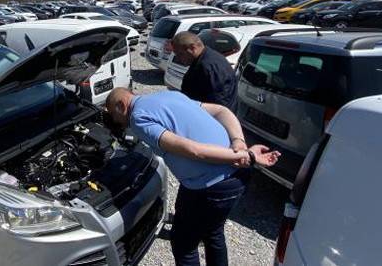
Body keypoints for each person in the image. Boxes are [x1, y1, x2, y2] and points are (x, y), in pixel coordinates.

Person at [105, 87, 280, 266]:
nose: (116, 121)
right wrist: (239, 143)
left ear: (121, 105)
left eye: (113, 115)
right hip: (237, 178)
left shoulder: (138, 118)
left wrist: (245, 156)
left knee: (183, 244)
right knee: (213, 232)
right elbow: (222, 111)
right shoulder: (169, 95)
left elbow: (193, 150)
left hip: (212, 185)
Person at [171, 32, 236, 109]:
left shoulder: (208, 67)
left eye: (180, 54)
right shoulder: (203, 59)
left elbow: (217, 105)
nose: (178, 58)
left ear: (192, 48)